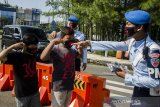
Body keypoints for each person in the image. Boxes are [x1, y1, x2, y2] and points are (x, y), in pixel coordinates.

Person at [74, 10, 160, 107]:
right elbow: (114, 45)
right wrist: (89, 43)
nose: (125, 27)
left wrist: (126, 76)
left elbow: (155, 81)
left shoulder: (153, 50)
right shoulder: (133, 41)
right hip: (137, 90)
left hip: (149, 97)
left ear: (140, 27)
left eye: (128, 24)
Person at [40, 27, 82, 107]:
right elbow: (43, 57)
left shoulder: (72, 50)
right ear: (61, 38)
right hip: (59, 86)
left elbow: (79, 55)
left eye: (72, 38)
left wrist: (79, 46)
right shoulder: (56, 49)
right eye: (68, 38)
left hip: (69, 85)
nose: (71, 41)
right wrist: (53, 42)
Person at [0, 33, 41, 107]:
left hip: (35, 92)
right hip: (22, 94)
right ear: (25, 45)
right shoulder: (17, 56)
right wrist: (12, 46)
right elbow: (1, 56)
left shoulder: (34, 54)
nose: (35, 48)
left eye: (36, 46)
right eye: (32, 46)